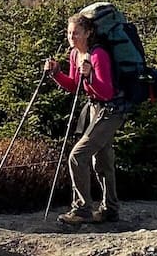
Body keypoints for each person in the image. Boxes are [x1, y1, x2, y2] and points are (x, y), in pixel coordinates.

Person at [45, 13, 128, 225]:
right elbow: (74, 85)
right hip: (95, 109)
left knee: (78, 156)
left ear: (88, 32)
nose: (72, 37)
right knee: (103, 159)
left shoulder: (98, 55)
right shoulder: (75, 54)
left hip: (111, 110)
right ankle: (110, 209)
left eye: (76, 33)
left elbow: (107, 91)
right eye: (69, 33)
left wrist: (90, 75)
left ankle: (82, 210)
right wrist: (56, 74)